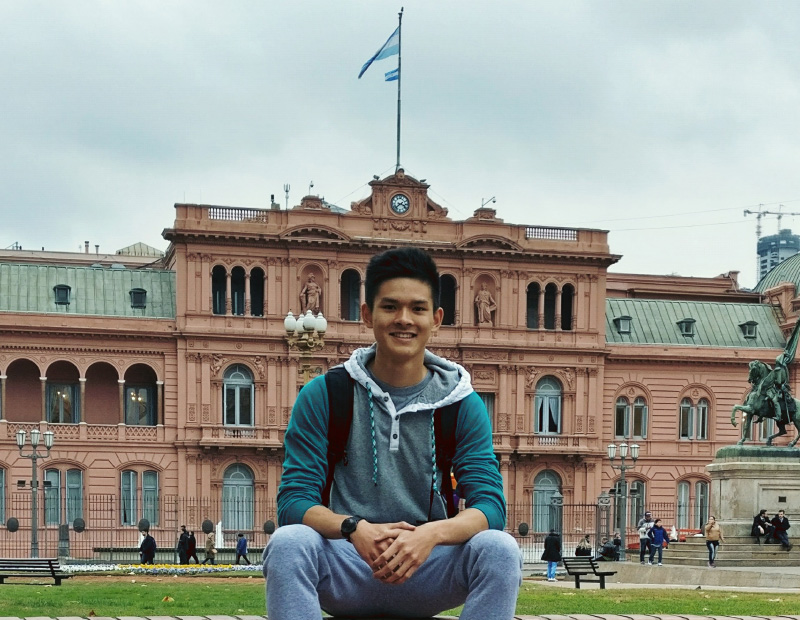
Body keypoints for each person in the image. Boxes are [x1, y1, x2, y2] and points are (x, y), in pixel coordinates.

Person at [263, 247, 522, 620]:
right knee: (289, 543)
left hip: (427, 566)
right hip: (349, 564)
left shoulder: (461, 404)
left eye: (417, 309)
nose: (404, 320)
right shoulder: (324, 395)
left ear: (436, 318)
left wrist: (429, 535)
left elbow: (491, 507)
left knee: (499, 548)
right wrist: (353, 528)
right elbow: (293, 502)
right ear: (368, 314)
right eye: (390, 307)